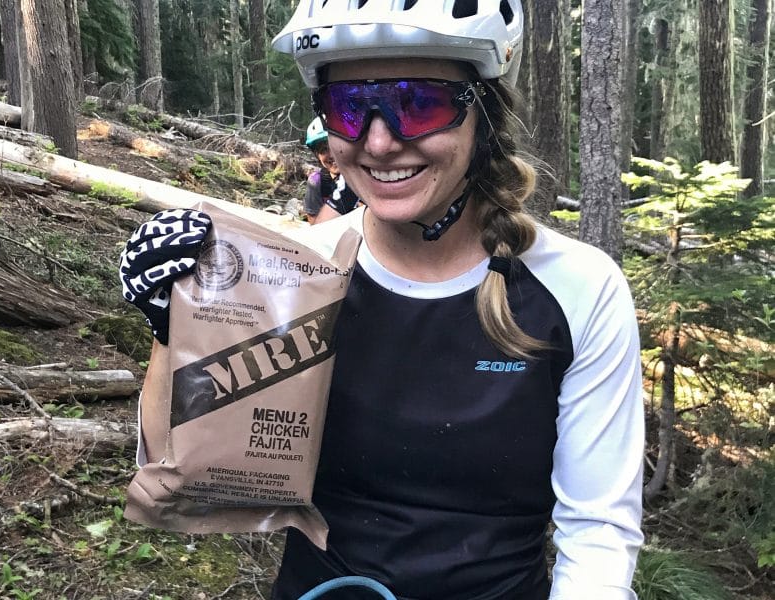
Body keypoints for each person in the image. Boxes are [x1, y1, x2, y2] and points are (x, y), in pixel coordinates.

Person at [119, 1, 645, 598]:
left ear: (485, 117)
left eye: (419, 103)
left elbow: (598, 532)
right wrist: (171, 328)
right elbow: (179, 477)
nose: (378, 141)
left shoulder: (578, 288)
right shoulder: (293, 271)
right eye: (348, 107)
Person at [303, 116, 362, 224]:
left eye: (336, 145)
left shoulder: (365, 176)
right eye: (324, 149)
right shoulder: (317, 181)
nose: (332, 154)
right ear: (317, 155)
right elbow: (314, 223)